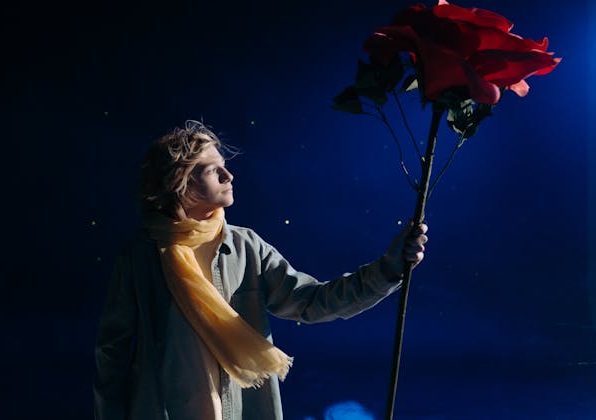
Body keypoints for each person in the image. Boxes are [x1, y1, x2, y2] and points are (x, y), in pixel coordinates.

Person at [94, 120, 428, 420]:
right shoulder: (141, 257)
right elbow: (113, 352)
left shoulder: (245, 247)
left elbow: (311, 301)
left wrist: (389, 268)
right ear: (178, 182)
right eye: (212, 170)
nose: (229, 176)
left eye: (224, 167)